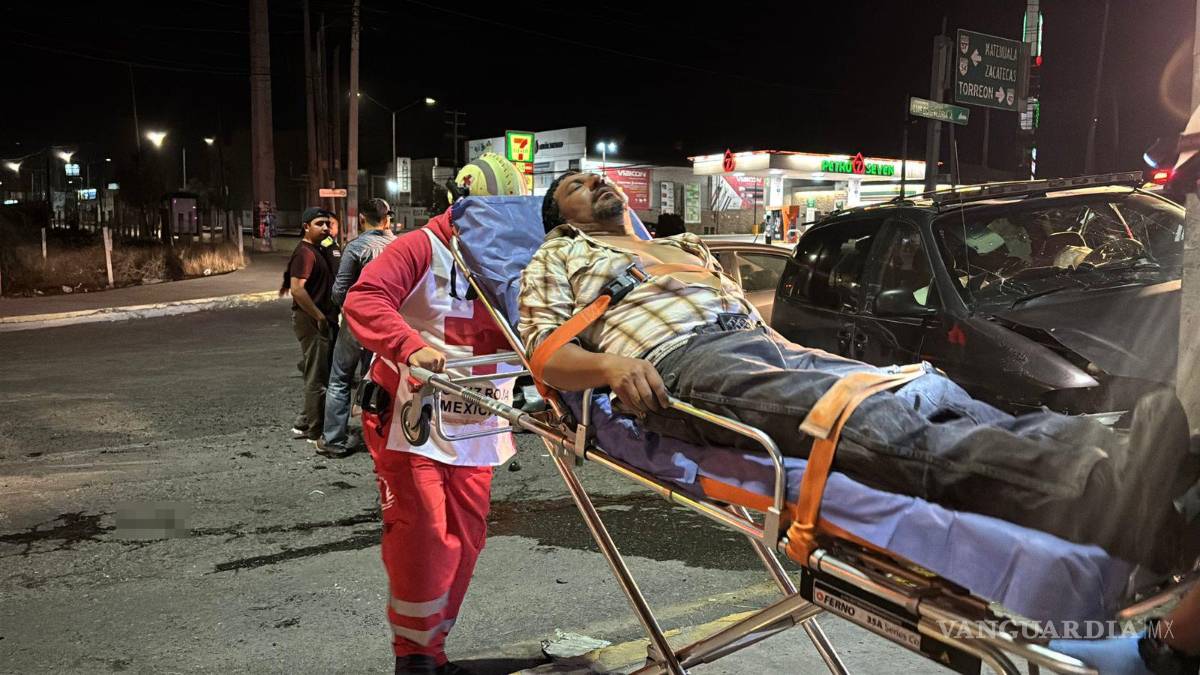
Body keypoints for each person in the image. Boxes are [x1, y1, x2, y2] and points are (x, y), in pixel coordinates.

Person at [518, 171, 1200, 572]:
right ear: (559, 219)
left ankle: (1114, 455)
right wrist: (614, 364)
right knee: (862, 420)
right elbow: (544, 354)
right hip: (683, 361)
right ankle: (1095, 492)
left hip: (759, 344)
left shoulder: (681, 245)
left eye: (596, 175)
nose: (595, 181)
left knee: (927, 391)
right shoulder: (559, 256)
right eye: (576, 185)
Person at [342, 153, 528, 675]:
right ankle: (416, 659)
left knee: (465, 540)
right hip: (412, 421)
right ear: (461, 208)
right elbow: (364, 299)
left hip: (478, 424)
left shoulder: (517, 253)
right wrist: (409, 345)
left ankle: (433, 649)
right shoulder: (420, 247)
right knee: (424, 536)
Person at [317, 198, 397, 458]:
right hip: (389, 321)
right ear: (387, 218)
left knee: (340, 378)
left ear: (362, 218)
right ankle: (379, 440)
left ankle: (334, 440)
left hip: (357, 321)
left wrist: (346, 308)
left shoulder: (356, 247)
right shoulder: (400, 246)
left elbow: (339, 290)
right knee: (378, 378)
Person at [283, 207, 339, 443]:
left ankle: (306, 421)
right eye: (319, 224)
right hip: (311, 320)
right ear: (306, 227)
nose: (325, 228)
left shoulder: (319, 249)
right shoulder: (305, 253)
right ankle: (316, 432)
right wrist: (319, 316)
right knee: (317, 378)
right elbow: (297, 289)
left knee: (317, 371)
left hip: (320, 318)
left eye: (327, 223)